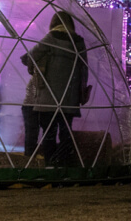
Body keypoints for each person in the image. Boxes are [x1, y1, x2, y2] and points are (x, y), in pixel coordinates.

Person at [21, 11, 89, 165]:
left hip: (48, 98)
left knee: (49, 132)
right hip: (69, 98)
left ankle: (50, 163)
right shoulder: (79, 42)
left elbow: (29, 57)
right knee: (66, 131)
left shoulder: (51, 38)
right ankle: (64, 162)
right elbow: (84, 69)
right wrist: (81, 92)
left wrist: (35, 65)